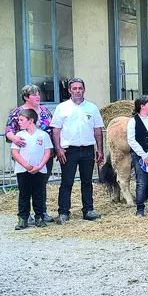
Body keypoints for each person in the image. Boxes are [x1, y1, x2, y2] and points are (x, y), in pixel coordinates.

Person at [50, 78, 104, 223]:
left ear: (84, 89)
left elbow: (97, 130)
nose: (77, 91)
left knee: (87, 182)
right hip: (69, 151)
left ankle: (88, 210)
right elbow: (56, 129)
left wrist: (100, 149)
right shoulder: (62, 107)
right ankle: (63, 212)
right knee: (67, 182)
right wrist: (58, 148)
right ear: (69, 90)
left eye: (80, 88)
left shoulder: (92, 108)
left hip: (87, 149)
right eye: (74, 88)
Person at [5, 84, 55, 223]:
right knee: (26, 187)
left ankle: (41, 212)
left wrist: (54, 149)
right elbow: (9, 129)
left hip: (44, 154)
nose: (38, 96)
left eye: (38, 93)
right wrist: (14, 137)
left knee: (41, 184)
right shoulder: (18, 112)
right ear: (26, 97)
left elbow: (52, 129)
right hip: (24, 154)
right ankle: (25, 215)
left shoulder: (45, 111)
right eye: (34, 94)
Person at [10, 109, 52, 230]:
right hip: (23, 170)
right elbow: (15, 152)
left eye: (21, 120)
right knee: (24, 194)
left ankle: (39, 217)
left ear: (31, 120)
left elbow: (47, 152)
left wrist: (39, 166)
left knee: (38, 194)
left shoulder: (42, 135)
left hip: (39, 170)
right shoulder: (19, 136)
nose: (19, 122)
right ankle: (23, 218)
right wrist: (26, 165)